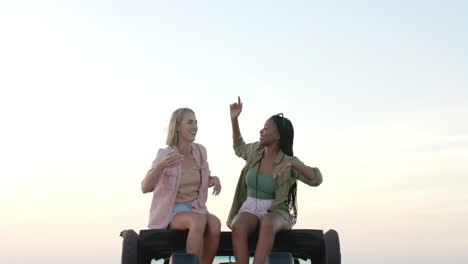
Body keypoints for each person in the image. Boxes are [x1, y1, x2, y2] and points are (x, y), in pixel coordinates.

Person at [227, 97, 323, 264]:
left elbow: (316, 179)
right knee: (238, 225)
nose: (261, 131)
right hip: (250, 206)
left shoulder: (288, 161)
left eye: (265, 128)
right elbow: (239, 147)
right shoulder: (255, 150)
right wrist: (234, 120)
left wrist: (292, 163)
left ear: (278, 135)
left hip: (276, 210)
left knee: (268, 223)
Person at [141, 108, 222, 264]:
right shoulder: (166, 154)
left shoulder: (200, 151)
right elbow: (145, 187)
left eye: (196, 122)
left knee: (215, 223)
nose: (195, 126)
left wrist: (214, 180)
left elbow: (202, 178)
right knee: (198, 221)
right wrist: (161, 166)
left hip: (196, 207)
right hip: (172, 211)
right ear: (178, 127)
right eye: (190, 122)